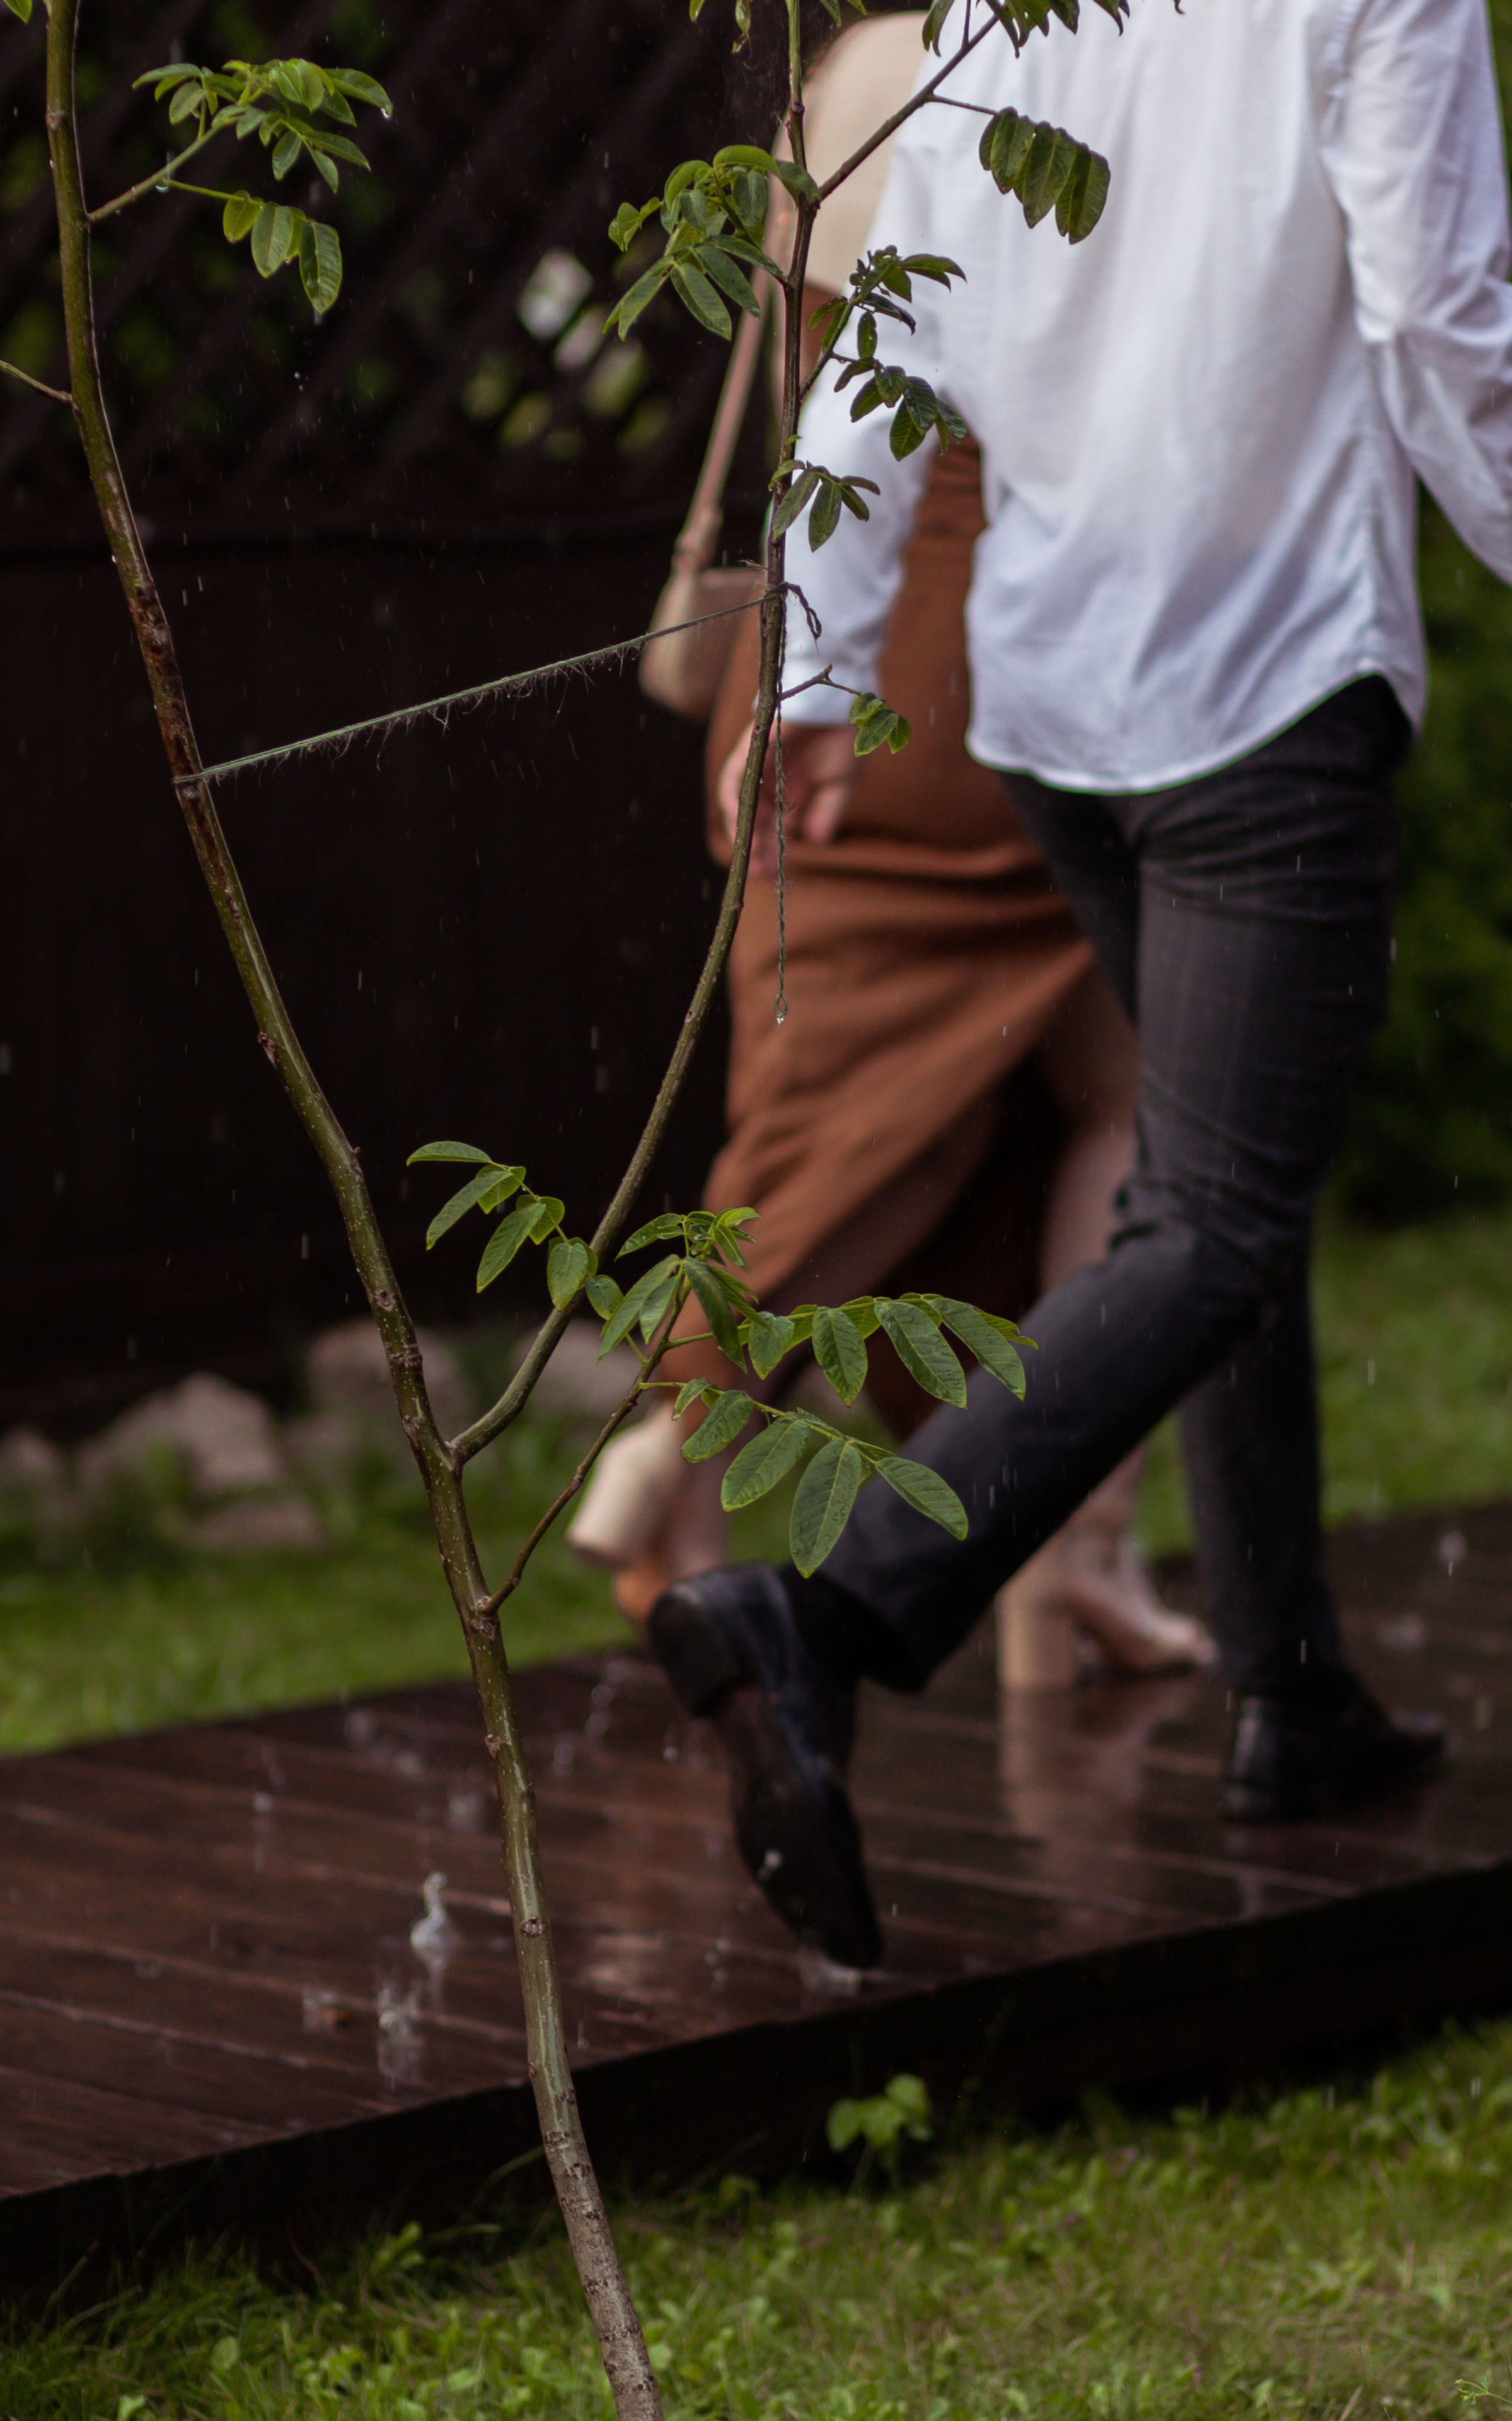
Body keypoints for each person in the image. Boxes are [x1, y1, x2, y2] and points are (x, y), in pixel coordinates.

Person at [643, 0, 1508, 1968]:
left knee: (1210, 1204)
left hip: (1053, 705)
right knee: (1210, 1221)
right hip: (1263, 687)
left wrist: (815, 659)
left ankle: (1293, 1692)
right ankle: (835, 1612)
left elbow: (894, 316)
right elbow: (1447, 316)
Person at [570, 14, 1208, 1687]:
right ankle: (1044, 1540)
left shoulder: (850, 73)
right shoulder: (1070, 82)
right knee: (1075, 1117)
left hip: (833, 638)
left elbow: (816, 391)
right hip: (997, 650)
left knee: (905, 1110)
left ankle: (709, 1478)